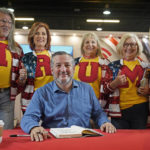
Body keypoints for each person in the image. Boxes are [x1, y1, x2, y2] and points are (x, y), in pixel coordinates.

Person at [21, 51, 116, 142]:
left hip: (83, 140)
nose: (63, 70)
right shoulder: (41, 92)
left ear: (74, 69)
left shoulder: (88, 90)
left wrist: (105, 122)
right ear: (52, 70)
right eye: (58, 65)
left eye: (67, 65)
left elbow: (98, 113)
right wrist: (33, 127)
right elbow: (29, 117)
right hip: (52, 140)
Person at [101, 33, 149, 129]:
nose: (129, 47)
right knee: (119, 141)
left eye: (132, 44)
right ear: (121, 47)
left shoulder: (146, 67)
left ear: (137, 47)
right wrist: (115, 83)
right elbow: (104, 91)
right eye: (126, 44)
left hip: (140, 109)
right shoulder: (112, 66)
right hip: (118, 111)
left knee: (138, 141)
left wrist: (148, 91)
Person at [0, 8, 26, 129]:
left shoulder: (17, 48)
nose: (6, 25)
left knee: (6, 132)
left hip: (7, 95)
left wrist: (22, 78)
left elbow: (21, 80)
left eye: (9, 22)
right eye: (3, 21)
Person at [21, 22, 53, 112]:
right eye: (37, 33)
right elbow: (20, 85)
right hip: (30, 101)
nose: (40, 36)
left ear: (47, 38)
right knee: (32, 126)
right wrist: (22, 79)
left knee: (49, 126)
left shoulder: (55, 58)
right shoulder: (25, 58)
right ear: (32, 37)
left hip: (51, 101)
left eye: (43, 34)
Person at [74, 32, 109, 101]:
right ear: (83, 46)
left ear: (97, 46)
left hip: (97, 104)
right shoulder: (74, 63)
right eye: (87, 42)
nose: (90, 44)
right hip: (76, 103)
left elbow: (108, 86)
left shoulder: (105, 63)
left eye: (93, 42)